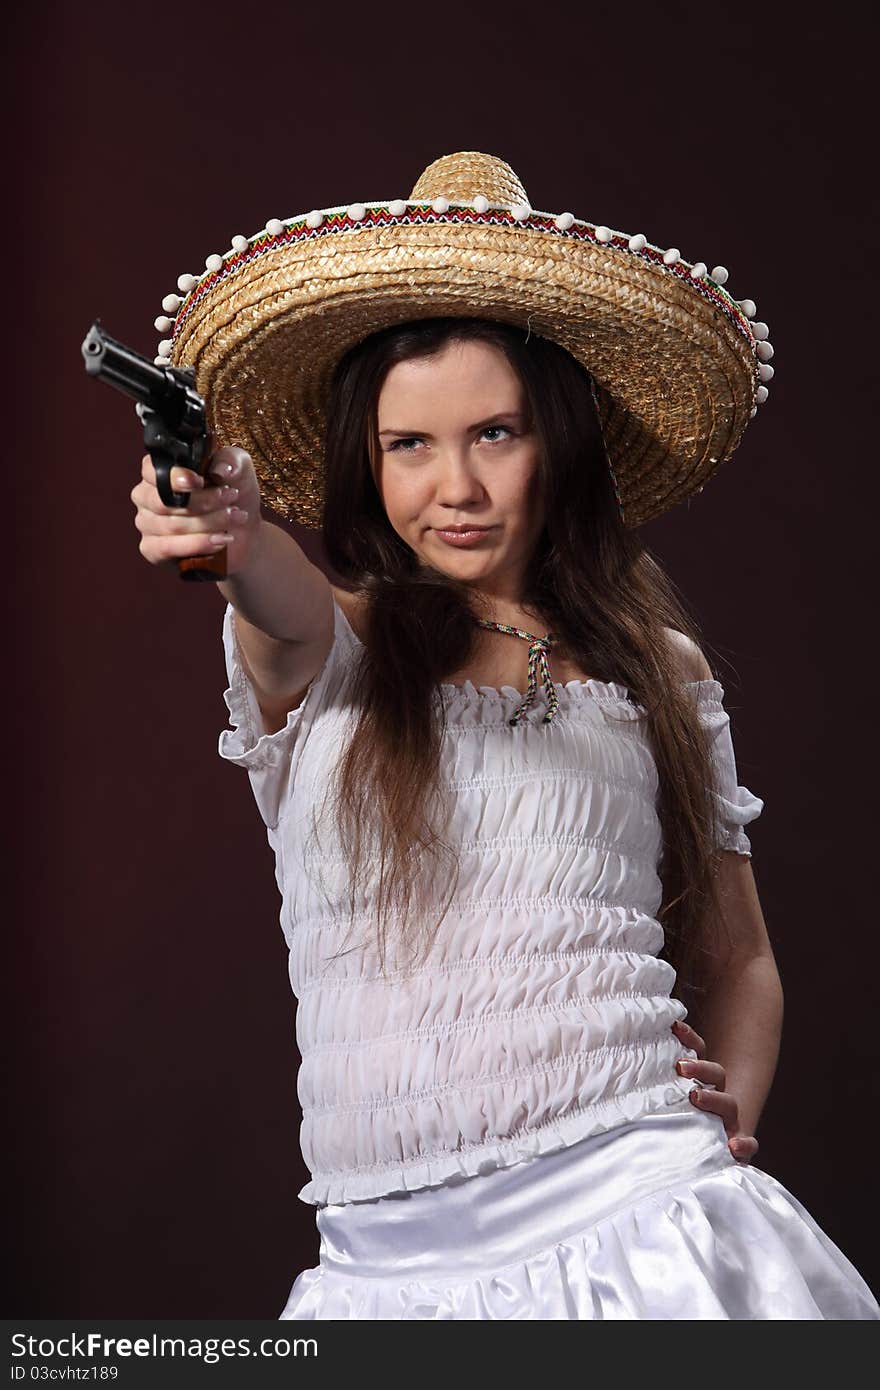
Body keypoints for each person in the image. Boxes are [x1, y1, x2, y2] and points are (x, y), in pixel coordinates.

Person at [131, 152, 879, 1319]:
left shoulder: (660, 676)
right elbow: (263, 577)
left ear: (560, 441)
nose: (457, 485)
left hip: (638, 1203)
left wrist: (729, 1121)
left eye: (496, 433)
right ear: (364, 462)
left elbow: (737, 957)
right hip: (382, 1266)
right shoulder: (333, 648)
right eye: (408, 445)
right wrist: (220, 518)